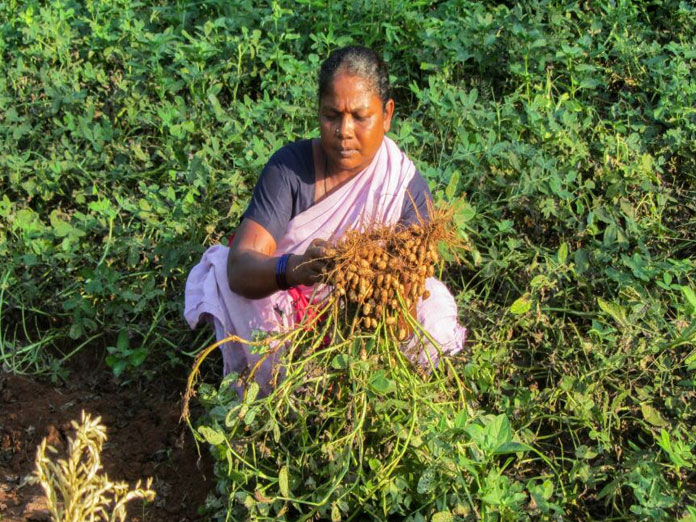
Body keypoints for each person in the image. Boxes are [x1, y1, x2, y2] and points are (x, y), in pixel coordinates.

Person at [185, 46, 466, 392]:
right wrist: (294, 268)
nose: (344, 130)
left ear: (387, 114)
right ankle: (281, 387)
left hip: (363, 322)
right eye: (332, 115)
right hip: (287, 309)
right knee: (232, 282)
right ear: (318, 112)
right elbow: (241, 267)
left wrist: (367, 297)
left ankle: (371, 382)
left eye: (360, 117)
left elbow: (408, 289)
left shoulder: (404, 186)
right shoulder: (289, 169)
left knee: (434, 302)